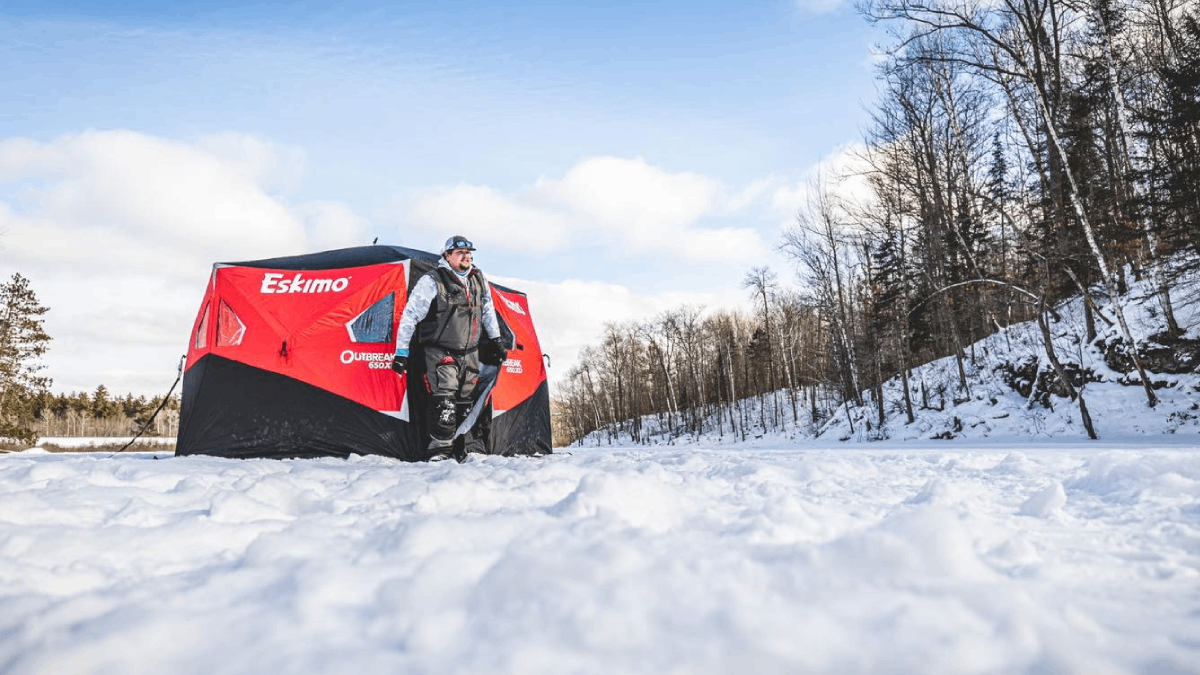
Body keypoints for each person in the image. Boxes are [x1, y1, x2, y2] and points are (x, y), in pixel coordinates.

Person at [391, 235, 509, 460]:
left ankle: (460, 445)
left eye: (469, 253)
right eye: (460, 253)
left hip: (470, 352)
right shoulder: (432, 281)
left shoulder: (478, 278)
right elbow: (409, 316)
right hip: (440, 350)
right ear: (447, 255)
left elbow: (487, 310)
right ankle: (440, 450)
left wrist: (495, 340)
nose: (467, 257)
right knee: (444, 396)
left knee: (466, 397)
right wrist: (402, 352)